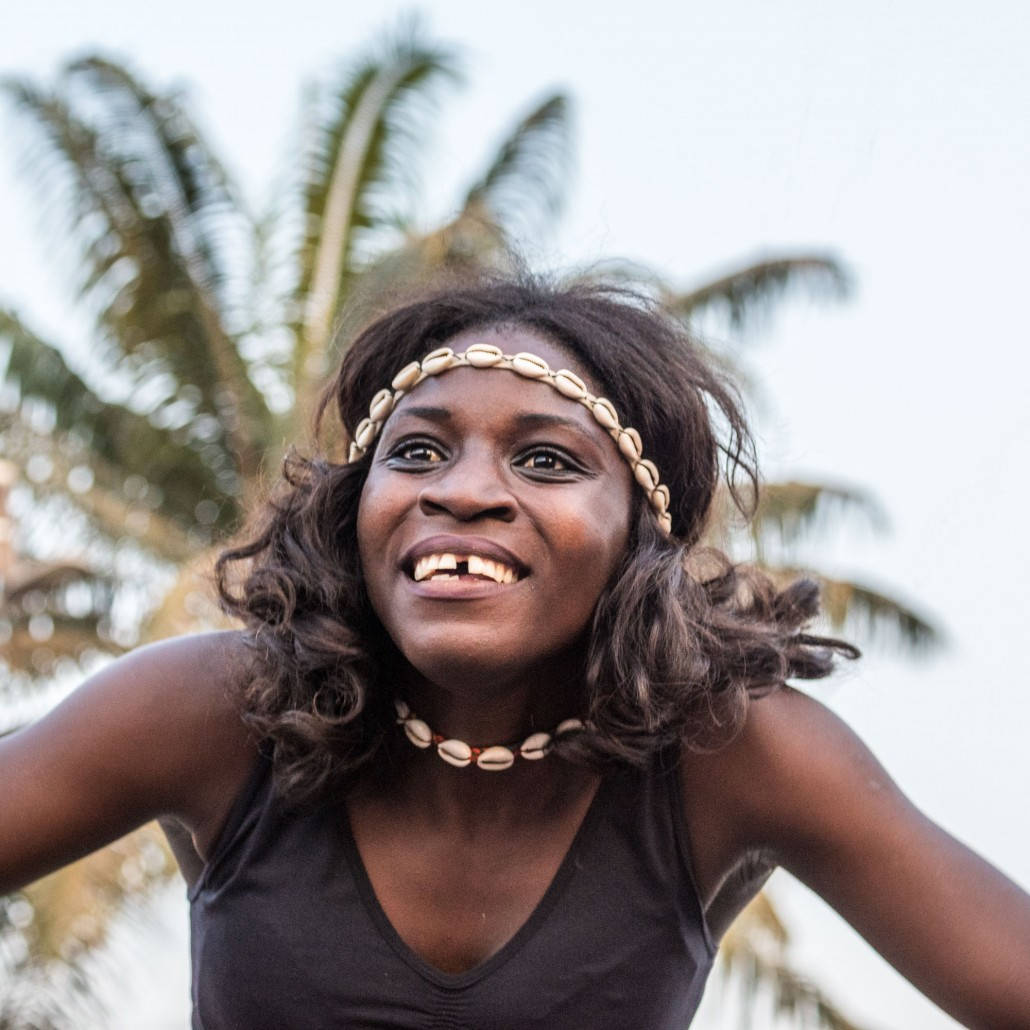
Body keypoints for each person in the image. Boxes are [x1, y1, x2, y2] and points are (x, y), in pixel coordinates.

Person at [2, 276, 1029, 1029]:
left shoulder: (733, 752)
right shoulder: (220, 707)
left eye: (545, 459)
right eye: (415, 450)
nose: (460, 489)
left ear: (640, 538)